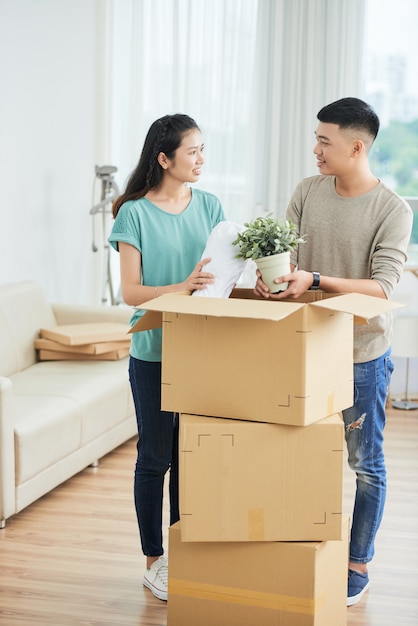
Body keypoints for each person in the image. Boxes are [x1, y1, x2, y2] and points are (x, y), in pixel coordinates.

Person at [254, 97, 413, 607]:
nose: (315, 149)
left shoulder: (392, 208)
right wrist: (271, 280)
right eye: (316, 138)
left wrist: (317, 279)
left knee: (365, 464)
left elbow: (385, 287)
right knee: (296, 455)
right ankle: (301, 549)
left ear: (356, 146)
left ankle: (356, 560)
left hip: (361, 356)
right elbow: (287, 259)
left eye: (325, 141)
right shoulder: (307, 191)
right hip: (300, 348)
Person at [108, 113, 225, 601]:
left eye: (203, 149)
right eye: (192, 151)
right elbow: (130, 293)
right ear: (164, 158)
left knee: (190, 458)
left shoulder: (212, 206)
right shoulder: (133, 213)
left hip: (201, 351)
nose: (201, 159)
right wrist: (181, 288)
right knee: (155, 458)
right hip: (154, 353)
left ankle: (182, 550)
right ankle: (155, 560)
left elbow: (223, 277)